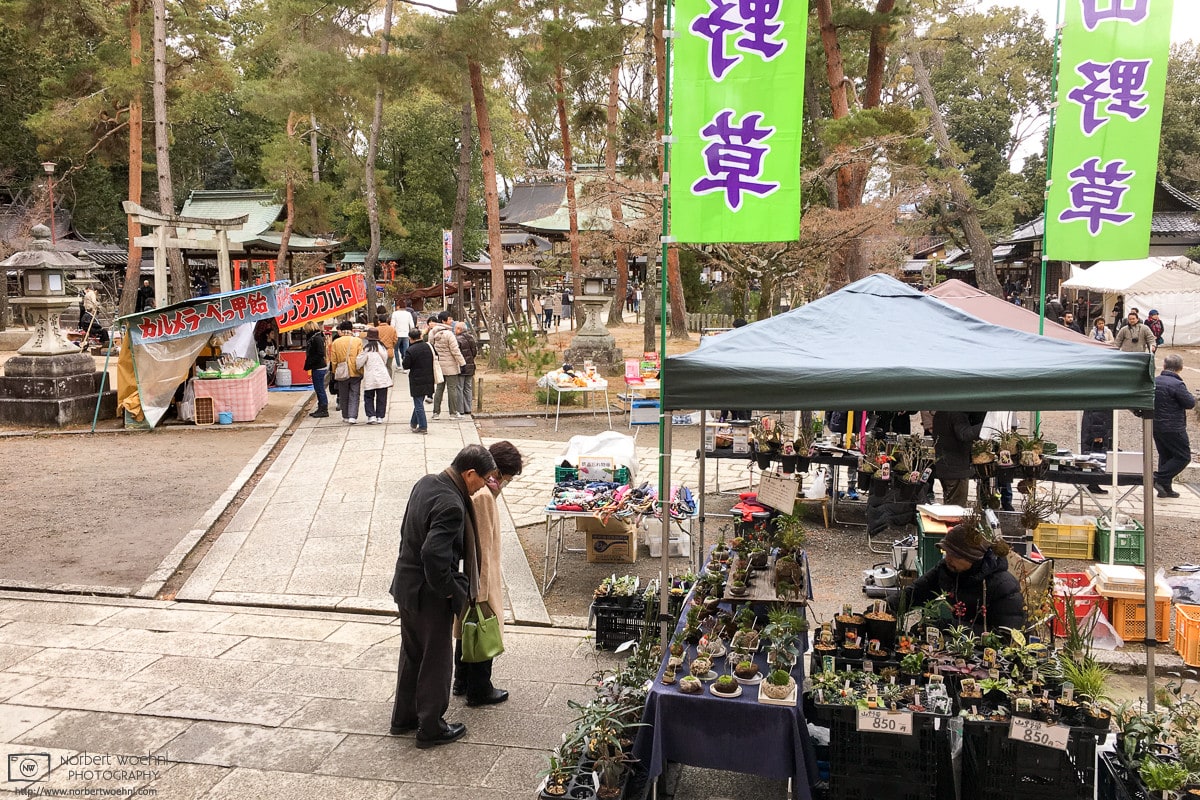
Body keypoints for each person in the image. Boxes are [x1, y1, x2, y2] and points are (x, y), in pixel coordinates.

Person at [389, 444, 497, 747]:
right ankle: (431, 726)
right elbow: (434, 555)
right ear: (470, 473)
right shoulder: (451, 503)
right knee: (437, 660)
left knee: (413, 654)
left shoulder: (426, 482)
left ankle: (405, 718)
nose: (484, 486)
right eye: (484, 479)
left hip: (406, 585)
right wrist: (452, 592)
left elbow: (409, 534)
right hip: (429, 593)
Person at [452, 441, 524, 705]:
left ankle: (461, 680)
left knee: (467, 627)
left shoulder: (482, 492)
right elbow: (481, 543)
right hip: (481, 574)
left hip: (476, 573)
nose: (505, 483)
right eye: (507, 477)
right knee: (484, 627)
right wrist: (481, 589)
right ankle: (479, 688)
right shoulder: (483, 496)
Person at [902, 523, 1026, 635]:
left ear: (972, 557)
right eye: (946, 552)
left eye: (954, 555)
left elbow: (1006, 635)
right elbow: (917, 592)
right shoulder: (949, 569)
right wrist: (886, 607)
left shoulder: (1004, 586)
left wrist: (948, 627)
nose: (947, 558)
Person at [1153, 354, 1196, 498]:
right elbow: (1189, 403)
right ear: (1181, 368)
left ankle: (1165, 488)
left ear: (1164, 366)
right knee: (1183, 456)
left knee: (1165, 455)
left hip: (1156, 425)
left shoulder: (1155, 381)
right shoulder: (1177, 384)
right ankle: (1158, 478)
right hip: (1173, 426)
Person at [933, 411, 984, 506]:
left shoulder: (942, 411)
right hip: (955, 468)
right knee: (956, 508)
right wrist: (987, 425)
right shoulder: (956, 413)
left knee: (951, 504)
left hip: (947, 465)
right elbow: (964, 434)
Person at [980, 411, 1020, 511]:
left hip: (1003, 442)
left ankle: (1004, 501)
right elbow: (1014, 424)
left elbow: (1014, 424)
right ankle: (987, 500)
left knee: (1004, 470)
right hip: (991, 441)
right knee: (988, 471)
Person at [430, 311, 466, 420]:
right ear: (443, 321)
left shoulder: (432, 333)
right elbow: (455, 351)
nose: (451, 321)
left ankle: (436, 412)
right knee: (452, 389)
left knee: (439, 389)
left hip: (439, 364)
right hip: (450, 365)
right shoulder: (449, 334)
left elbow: (431, 347)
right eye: (449, 319)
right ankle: (453, 412)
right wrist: (462, 362)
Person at [329, 320, 364, 424]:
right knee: (355, 394)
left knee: (343, 394)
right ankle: (353, 416)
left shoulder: (336, 342)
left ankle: (345, 415)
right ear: (351, 329)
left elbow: (333, 360)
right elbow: (360, 357)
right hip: (355, 371)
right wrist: (361, 370)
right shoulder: (357, 341)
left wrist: (335, 371)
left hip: (341, 371)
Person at [403, 328, 434, 433]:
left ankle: (423, 426)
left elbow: (405, 365)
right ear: (420, 336)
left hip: (416, 378)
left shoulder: (411, 350)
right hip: (429, 376)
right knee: (419, 401)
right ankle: (413, 422)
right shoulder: (428, 346)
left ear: (410, 338)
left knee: (418, 403)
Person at [361, 327, 394, 425]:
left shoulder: (367, 349)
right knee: (382, 397)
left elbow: (360, 361)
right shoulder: (382, 348)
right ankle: (380, 416)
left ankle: (371, 416)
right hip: (382, 375)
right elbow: (385, 360)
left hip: (370, 375)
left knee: (369, 396)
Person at [1080, 409, 1113, 494]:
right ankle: (1091, 483)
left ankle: (1091, 483)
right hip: (1096, 432)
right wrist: (1098, 434)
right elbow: (1097, 414)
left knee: (1093, 456)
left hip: (1096, 429)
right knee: (1094, 457)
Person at [303, 322, 329, 418]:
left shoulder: (316, 338)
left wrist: (310, 362)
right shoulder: (316, 337)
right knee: (319, 388)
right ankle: (321, 407)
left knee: (320, 388)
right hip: (317, 366)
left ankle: (323, 408)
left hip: (318, 367)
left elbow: (320, 353)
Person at [455, 321, 477, 416]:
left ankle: (460, 409)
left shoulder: (457, 339)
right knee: (468, 387)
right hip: (470, 366)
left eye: (456, 328)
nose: (454, 330)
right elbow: (474, 352)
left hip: (461, 366)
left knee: (460, 387)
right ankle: (468, 408)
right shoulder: (471, 338)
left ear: (459, 329)